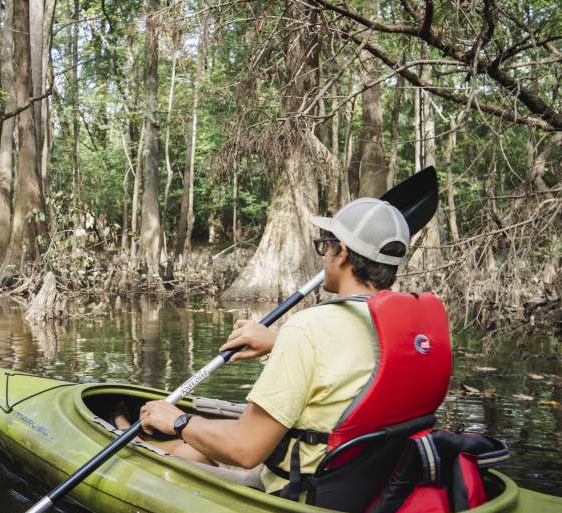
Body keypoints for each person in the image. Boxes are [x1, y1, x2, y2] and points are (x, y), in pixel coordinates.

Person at [135, 197, 413, 496]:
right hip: (363, 481)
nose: (324, 255)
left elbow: (245, 450)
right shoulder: (404, 327)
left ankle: (137, 435)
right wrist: (278, 342)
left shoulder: (307, 328)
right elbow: (354, 358)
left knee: (178, 446)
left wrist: (175, 419)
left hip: (304, 492)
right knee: (193, 448)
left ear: (342, 253)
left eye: (325, 246)